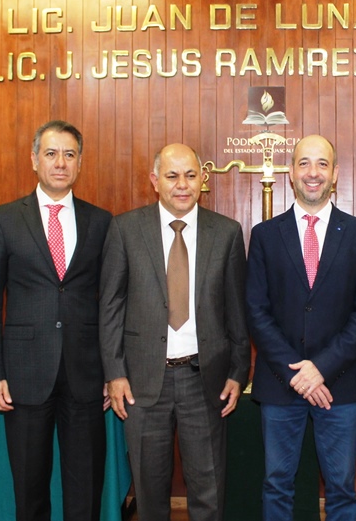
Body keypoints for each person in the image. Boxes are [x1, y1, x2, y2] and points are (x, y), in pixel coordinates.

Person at [100, 143, 250, 521]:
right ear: (155, 181)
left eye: (190, 175)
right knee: (149, 494)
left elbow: (237, 311)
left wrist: (238, 372)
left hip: (205, 380)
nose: (182, 184)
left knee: (208, 492)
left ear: (202, 179)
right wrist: (115, 373)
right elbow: (110, 308)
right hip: (142, 383)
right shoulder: (125, 229)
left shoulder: (227, 233)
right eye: (172, 176)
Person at [0, 120, 112, 521]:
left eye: (69, 154)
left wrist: (113, 371)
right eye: (51, 154)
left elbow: (112, 303)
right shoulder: (4, 219)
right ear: (34, 159)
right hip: (24, 374)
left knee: (85, 490)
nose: (60, 163)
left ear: (80, 162)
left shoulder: (101, 221)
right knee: (30, 490)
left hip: (87, 373)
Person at [246, 134, 356, 521]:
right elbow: (256, 311)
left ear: (335, 173)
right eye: (304, 163)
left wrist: (320, 368)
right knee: (276, 484)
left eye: (322, 164)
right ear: (290, 172)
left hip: (340, 382)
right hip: (280, 381)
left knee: (341, 487)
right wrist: (297, 373)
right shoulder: (265, 235)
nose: (313, 172)